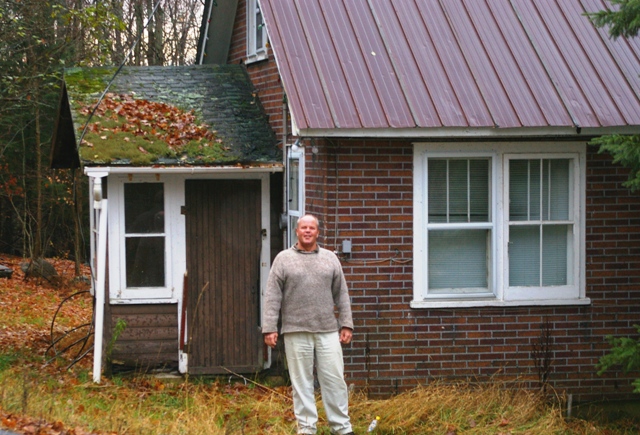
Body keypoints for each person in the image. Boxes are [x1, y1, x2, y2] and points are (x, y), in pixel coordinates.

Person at [263, 214, 355, 435]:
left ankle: (341, 428)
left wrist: (346, 324)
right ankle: (306, 429)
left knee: (334, 380)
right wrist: (270, 327)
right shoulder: (283, 259)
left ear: (317, 232)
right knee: (301, 383)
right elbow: (272, 296)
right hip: (295, 330)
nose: (307, 231)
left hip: (327, 330)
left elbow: (341, 293)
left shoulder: (330, 259)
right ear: (297, 231)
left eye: (311, 228)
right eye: (303, 227)